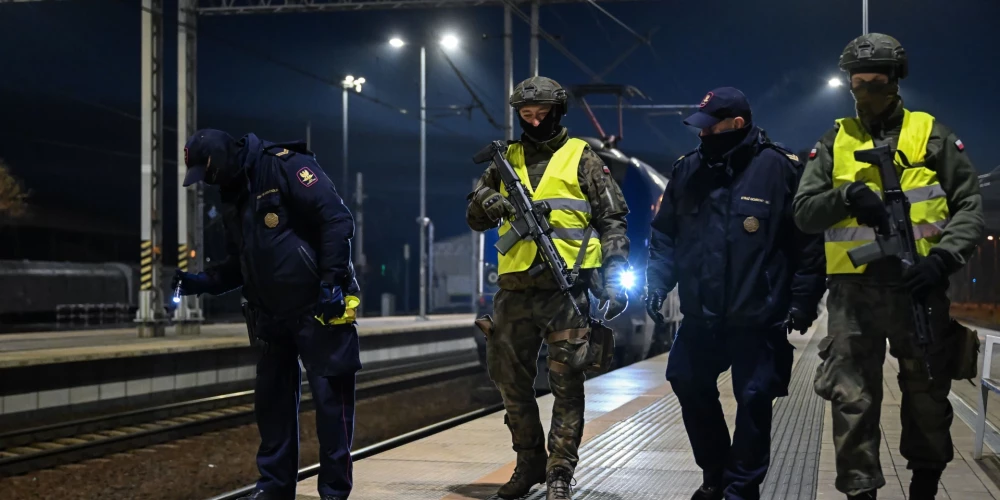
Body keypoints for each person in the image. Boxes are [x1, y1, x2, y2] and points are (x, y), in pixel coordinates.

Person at [793, 34, 984, 500]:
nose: (866, 91)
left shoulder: (930, 133)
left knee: (927, 394)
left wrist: (942, 258)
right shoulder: (834, 138)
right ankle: (861, 492)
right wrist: (845, 197)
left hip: (919, 288)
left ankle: (924, 486)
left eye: (876, 80)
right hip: (851, 296)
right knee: (851, 401)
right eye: (857, 82)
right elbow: (802, 212)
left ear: (896, 80)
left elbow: (969, 205)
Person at [645, 87, 826, 500]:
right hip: (701, 314)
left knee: (754, 399)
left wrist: (803, 300)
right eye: (700, 128)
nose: (704, 136)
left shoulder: (778, 170)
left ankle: (740, 489)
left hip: (757, 315)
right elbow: (665, 235)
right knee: (686, 380)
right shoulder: (687, 169)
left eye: (712, 128)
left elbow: (807, 243)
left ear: (737, 125)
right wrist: (658, 281)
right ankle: (715, 472)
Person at [466, 76, 630, 500]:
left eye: (541, 114)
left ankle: (560, 472)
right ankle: (528, 464)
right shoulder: (505, 159)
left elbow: (612, 220)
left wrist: (612, 275)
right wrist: (487, 201)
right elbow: (474, 215)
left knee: (566, 384)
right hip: (515, 293)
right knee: (510, 383)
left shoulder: (583, 158)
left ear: (557, 112)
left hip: (566, 291)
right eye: (526, 115)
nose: (534, 121)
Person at [173, 129, 360, 500]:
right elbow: (240, 264)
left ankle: (334, 493)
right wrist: (203, 282)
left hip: (318, 308)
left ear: (220, 157)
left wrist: (330, 282)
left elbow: (336, 220)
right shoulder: (232, 195)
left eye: (207, 172)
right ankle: (274, 489)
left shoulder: (285, 167)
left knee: (330, 406)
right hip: (270, 316)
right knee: (272, 408)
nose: (207, 182)